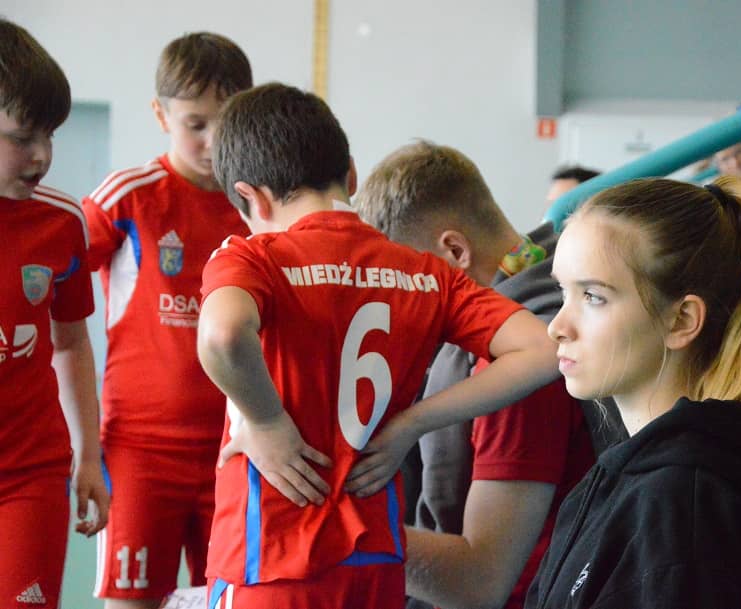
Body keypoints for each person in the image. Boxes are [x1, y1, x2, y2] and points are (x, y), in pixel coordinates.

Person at [197, 83, 560, 609]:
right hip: (375, 566)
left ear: (250, 197)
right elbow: (544, 351)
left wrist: (268, 420)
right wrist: (412, 423)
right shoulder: (426, 274)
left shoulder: (253, 258)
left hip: (270, 560)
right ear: (350, 175)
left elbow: (223, 334)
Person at [525, 176, 741, 608]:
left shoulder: (680, 511)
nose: (557, 327)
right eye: (564, 292)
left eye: (593, 296)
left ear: (681, 320)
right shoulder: (651, 475)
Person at [354, 141, 604, 609]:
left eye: (405, 280)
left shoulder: (513, 378)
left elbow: (480, 581)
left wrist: (335, 531)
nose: (400, 305)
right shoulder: (556, 294)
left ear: (454, 251)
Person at [81, 32, 252, 608]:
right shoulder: (127, 197)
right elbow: (42, 272)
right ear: (161, 115)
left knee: (232, 599)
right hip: (139, 450)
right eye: (195, 124)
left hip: (232, 448)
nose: (211, 141)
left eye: (225, 124)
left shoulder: (258, 207)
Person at [0, 18, 109, 608]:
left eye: (50, 136)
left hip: (29, 474)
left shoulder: (62, 223)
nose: (42, 155)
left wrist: (88, 453)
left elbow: (70, 342)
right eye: (23, 137)